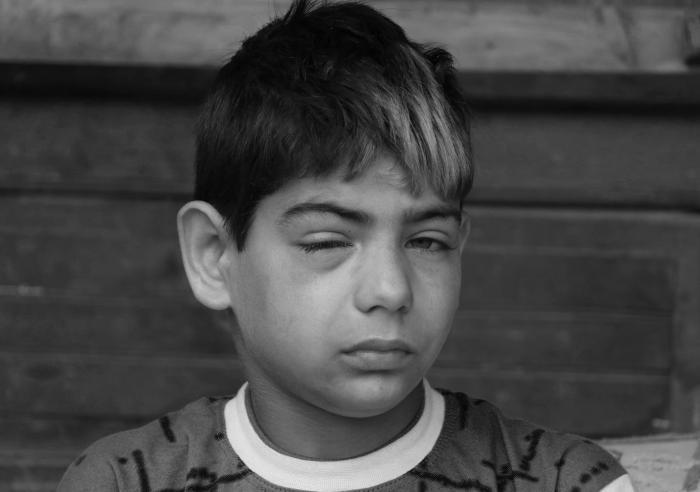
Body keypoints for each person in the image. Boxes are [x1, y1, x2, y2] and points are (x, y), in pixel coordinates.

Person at [57, 1, 635, 490]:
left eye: (428, 241)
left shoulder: (567, 480)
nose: (391, 289)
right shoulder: (123, 480)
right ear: (214, 255)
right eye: (328, 241)